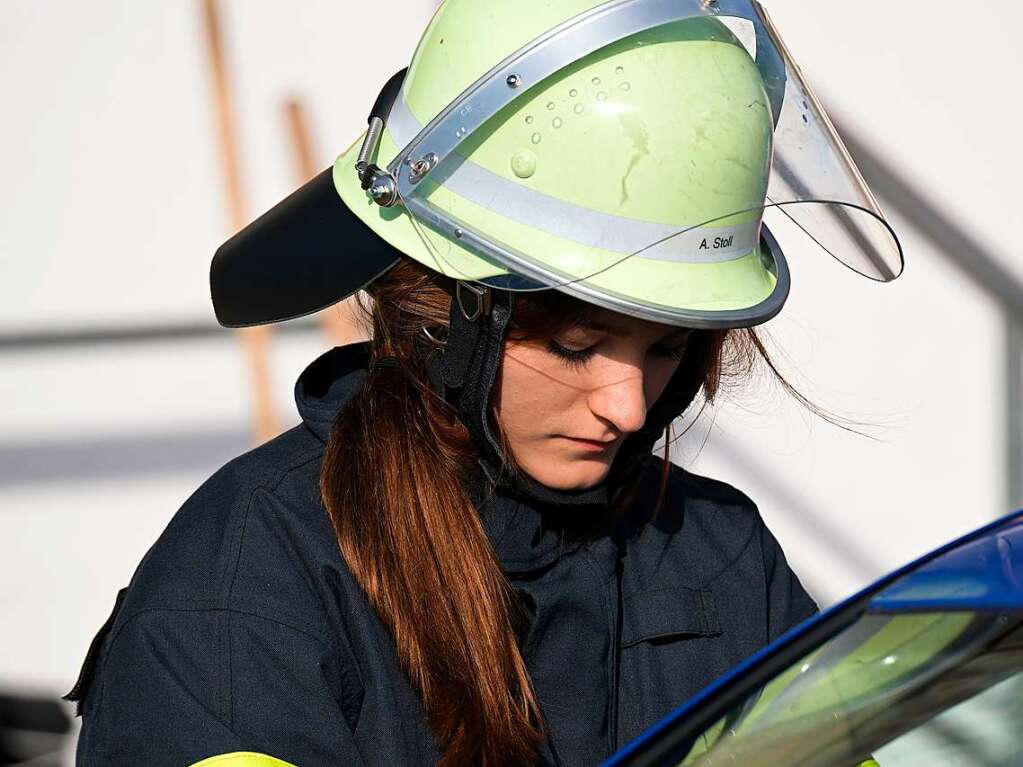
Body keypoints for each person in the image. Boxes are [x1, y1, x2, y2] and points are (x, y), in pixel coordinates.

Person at [67, 1, 903, 765]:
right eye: (577, 346)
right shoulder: (249, 582)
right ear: (444, 316)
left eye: (668, 348)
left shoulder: (716, 552)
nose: (627, 406)